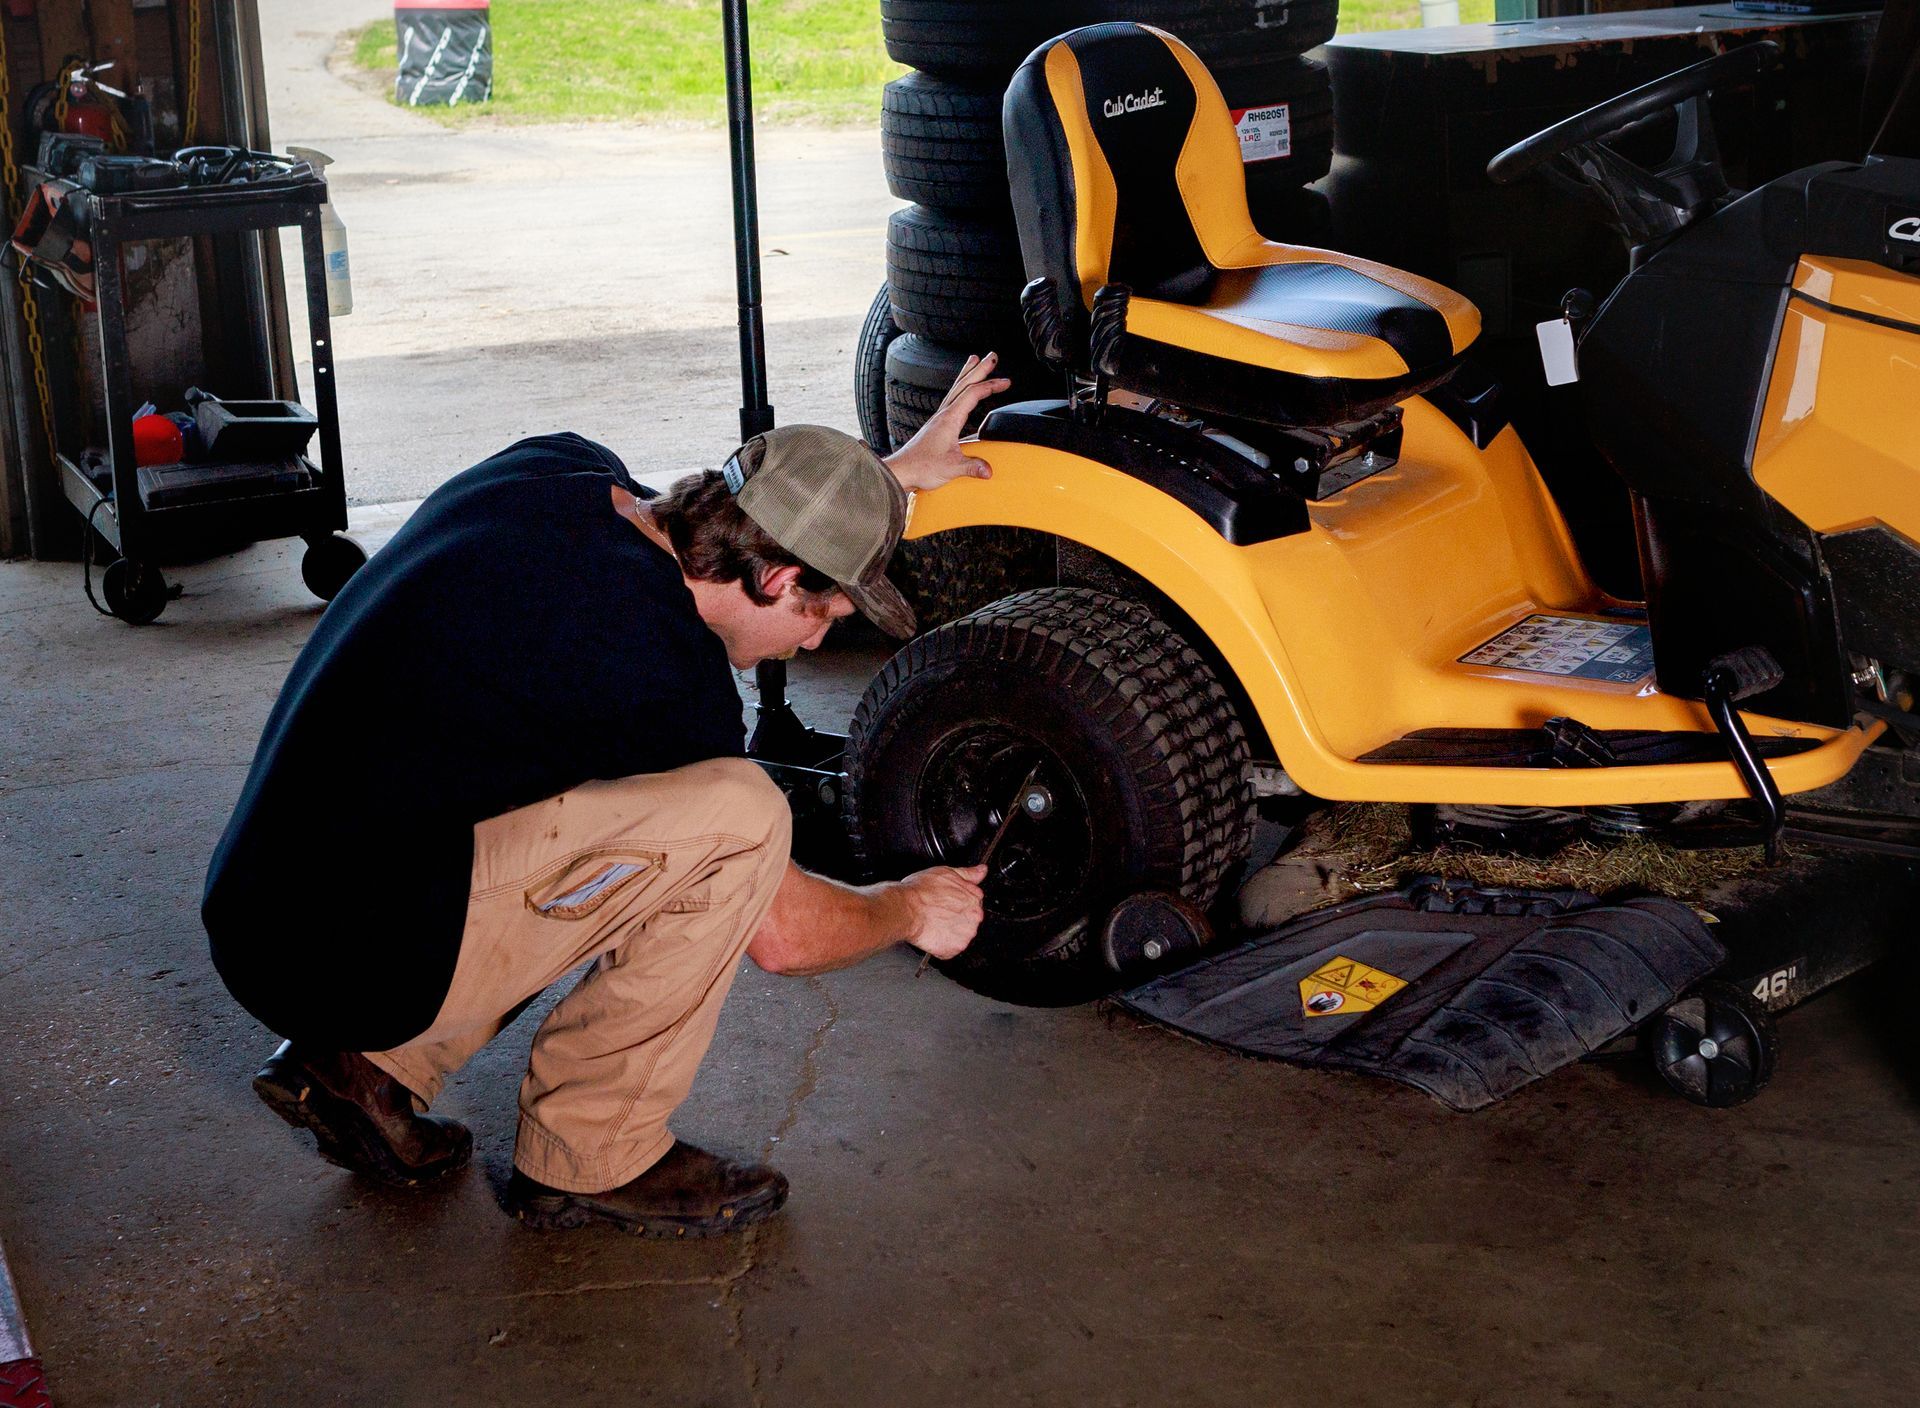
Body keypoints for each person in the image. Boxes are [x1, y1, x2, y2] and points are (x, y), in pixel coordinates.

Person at [202, 353, 1012, 1237]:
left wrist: (876, 485)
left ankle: (364, 1070)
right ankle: (593, 1155)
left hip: (272, 895)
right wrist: (905, 909)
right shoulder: (660, 672)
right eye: (821, 617)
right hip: (335, 960)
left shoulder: (560, 470)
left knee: (563, 797)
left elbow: (768, 515)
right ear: (777, 581)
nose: (811, 648)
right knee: (736, 820)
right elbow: (783, 938)